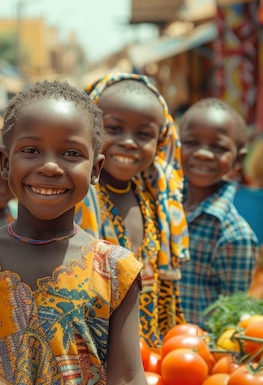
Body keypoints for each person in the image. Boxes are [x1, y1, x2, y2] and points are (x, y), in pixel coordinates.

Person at [0, 80, 146, 385]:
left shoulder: (115, 271)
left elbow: (128, 377)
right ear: (5, 162)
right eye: (31, 150)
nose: (51, 166)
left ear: (95, 169)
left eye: (71, 153)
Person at [75, 72, 189, 348]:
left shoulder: (158, 199)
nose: (129, 142)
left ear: (161, 139)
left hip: (152, 351)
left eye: (143, 134)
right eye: (114, 129)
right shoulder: (76, 198)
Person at [176, 98, 258, 328]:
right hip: (153, 348)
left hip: (197, 353)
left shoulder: (234, 235)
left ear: (238, 159)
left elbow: (233, 312)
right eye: (192, 142)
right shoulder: (164, 207)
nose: (203, 153)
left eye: (218, 147)